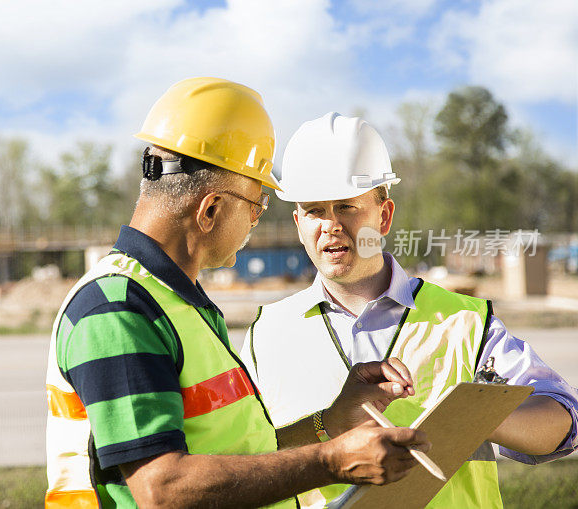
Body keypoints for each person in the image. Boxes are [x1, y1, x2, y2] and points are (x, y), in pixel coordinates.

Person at [45, 80, 432, 508]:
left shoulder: (175, 303)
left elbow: (241, 456)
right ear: (210, 209)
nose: (256, 221)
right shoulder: (118, 308)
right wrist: (329, 462)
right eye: (256, 205)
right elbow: (162, 489)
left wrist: (332, 423)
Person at [241, 112, 578, 508]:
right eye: (315, 210)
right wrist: (326, 427)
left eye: (347, 207)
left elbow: (562, 421)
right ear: (298, 223)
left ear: (383, 217)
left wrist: (471, 417)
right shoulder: (267, 334)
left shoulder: (464, 321)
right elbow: (244, 458)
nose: (330, 226)